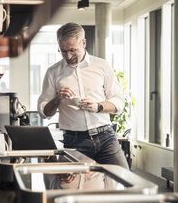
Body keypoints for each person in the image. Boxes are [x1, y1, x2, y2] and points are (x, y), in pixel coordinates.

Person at [37, 22, 129, 169]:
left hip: (106, 137)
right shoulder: (53, 72)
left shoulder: (102, 66)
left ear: (83, 43)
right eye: (63, 51)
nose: (68, 56)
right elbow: (44, 112)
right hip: (74, 141)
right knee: (75, 187)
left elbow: (119, 101)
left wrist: (98, 106)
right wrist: (57, 100)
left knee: (124, 180)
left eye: (73, 50)